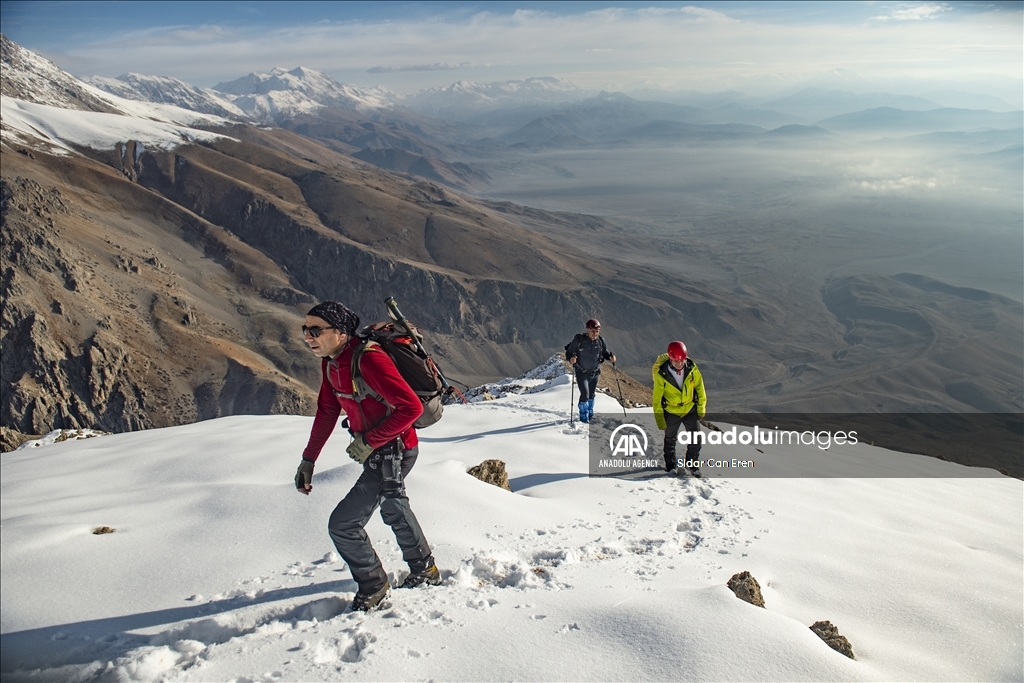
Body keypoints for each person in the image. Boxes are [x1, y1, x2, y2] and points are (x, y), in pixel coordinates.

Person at [294, 301, 440, 612]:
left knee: (343, 524)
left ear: (341, 332)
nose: (308, 336)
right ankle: (424, 569)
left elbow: (411, 408)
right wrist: (309, 460)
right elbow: (327, 410)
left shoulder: (369, 360)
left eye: (316, 330)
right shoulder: (332, 361)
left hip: (395, 449)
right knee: (393, 505)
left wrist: (368, 442)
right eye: (305, 329)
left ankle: (374, 585)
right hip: (384, 449)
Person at [652, 341, 707, 476]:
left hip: (690, 409)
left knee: (695, 438)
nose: (679, 364)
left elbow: (700, 389)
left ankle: (692, 465)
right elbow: (657, 399)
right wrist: (660, 419)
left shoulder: (692, 369)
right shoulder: (662, 374)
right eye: (676, 361)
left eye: (681, 360)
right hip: (671, 410)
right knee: (670, 439)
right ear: (670, 358)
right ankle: (671, 466)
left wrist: (701, 407)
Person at [564, 319, 616, 423]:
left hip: (595, 373)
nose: (595, 333)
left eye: (597, 331)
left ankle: (590, 415)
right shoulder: (579, 340)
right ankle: (583, 419)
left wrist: (610, 356)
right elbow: (569, 352)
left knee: (591, 395)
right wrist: (571, 358)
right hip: (581, 372)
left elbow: (604, 352)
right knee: (585, 395)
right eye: (593, 331)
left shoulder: (600, 341)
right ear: (587, 330)